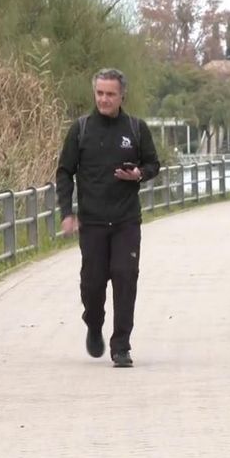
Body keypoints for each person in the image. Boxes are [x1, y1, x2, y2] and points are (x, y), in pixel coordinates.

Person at [56, 68, 161, 367]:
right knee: (92, 284)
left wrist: (139, 174)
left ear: (121, 95)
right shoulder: (81, 129)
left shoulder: (136, 128)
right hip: (92, 222)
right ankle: (93, 324)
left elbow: (154, 163)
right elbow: (64, 172)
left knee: (126, 277)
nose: (104, 99)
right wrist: (67, 213)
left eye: (110, 94)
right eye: (100, 93)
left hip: (126, 220)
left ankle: (121, 346)